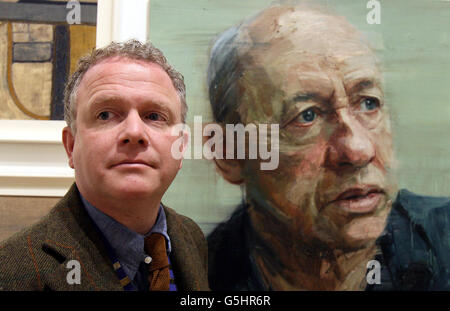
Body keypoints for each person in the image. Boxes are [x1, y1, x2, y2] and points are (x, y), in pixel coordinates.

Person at [206, 4, 450, 290]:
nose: (358, 150)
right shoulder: (194, 274)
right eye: (307, 116)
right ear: (229, 154)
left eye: (368, 103)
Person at [0, 40, 209, 291]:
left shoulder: (190, 236)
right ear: (71, 146)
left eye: (154, 116)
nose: (134, 131)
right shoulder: (11, 273)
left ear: (181, 146)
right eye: (106, 115)